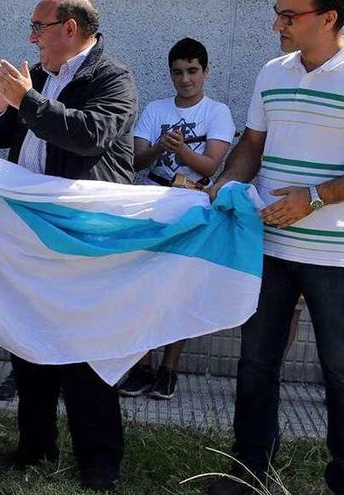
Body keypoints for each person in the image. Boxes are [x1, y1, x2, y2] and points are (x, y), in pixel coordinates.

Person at [206, 1, 344, 494]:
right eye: (278, 12)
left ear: (330, 17)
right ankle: (250, 473)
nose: (278, 24)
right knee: (256, 360)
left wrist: (316, 198)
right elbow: (252, 145)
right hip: (269, 246)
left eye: (289, 14)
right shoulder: (272, 72)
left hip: (335, 256)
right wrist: (223, 183)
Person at [0, 0, 138, 490]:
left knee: (87, 350)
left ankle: (99, 462)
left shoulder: (113, 78)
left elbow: (88, 135)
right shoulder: (42, 79)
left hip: (83, 237)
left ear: (70, 28)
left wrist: (26, 99)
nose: (32, 38)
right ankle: (34, 448)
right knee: (29, 343)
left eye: (38, 27)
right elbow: (2, 133)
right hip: (30, 233)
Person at [118, 37, 235, 400]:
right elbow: (135, 160)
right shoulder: (155, 109)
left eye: (192, 71)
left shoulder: (217, 112)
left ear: (205, 71)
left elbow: (212, 165)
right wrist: (159, 148)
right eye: (178, 72)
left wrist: (181, 149)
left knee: (178, 290)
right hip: (152, 203)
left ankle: (170, 368)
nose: (185, 79)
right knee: (144, 287)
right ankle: (142, 365)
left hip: (192, 207)